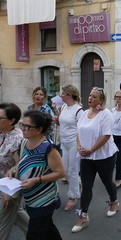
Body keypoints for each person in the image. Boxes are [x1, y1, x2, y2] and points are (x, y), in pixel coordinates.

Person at [9, 110, 65, 240]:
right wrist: (13, 169)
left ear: (39, 129)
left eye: (27, 126)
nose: (22, 129)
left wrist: (37, 180)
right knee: (48, 229)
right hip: (30, 198)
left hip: (44, 199)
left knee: (35, 234)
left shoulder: (48, 148)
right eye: (22, 124)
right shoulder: (24, 142)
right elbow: (22, 163)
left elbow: (61, 172)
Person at [72, 87, 119, 233]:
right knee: (86, 186)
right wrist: (79, 146)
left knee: (107, 182)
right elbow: (79, 131)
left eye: (94, 96)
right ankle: (83, 216)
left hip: (104, 156)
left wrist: (91, 149)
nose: (90, 98)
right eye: (90, 95)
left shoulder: (106, 114)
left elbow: (106, 136)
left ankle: (114, 201)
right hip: (86, 156)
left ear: (101, 100)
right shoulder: (84, 113)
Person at [0, 103, 29, 240]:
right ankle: (39, 234)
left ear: (11, 121)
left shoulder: (17, 139)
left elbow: (19, 167)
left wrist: (8, 193)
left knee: (3, 224)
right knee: (17, 214)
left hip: (8, 186)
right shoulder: (2, 132)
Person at [57, 85, 83, 211]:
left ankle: (73, 196)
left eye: (62, 93)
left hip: (73, 143)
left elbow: (81, 129)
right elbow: (61, 122)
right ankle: (77, 183)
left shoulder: (79, 110)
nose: (60, 95)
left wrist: (79, 144)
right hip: (63, 142)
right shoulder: (63, 107)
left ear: (69, 95)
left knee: (73, 170)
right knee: (64, 170)